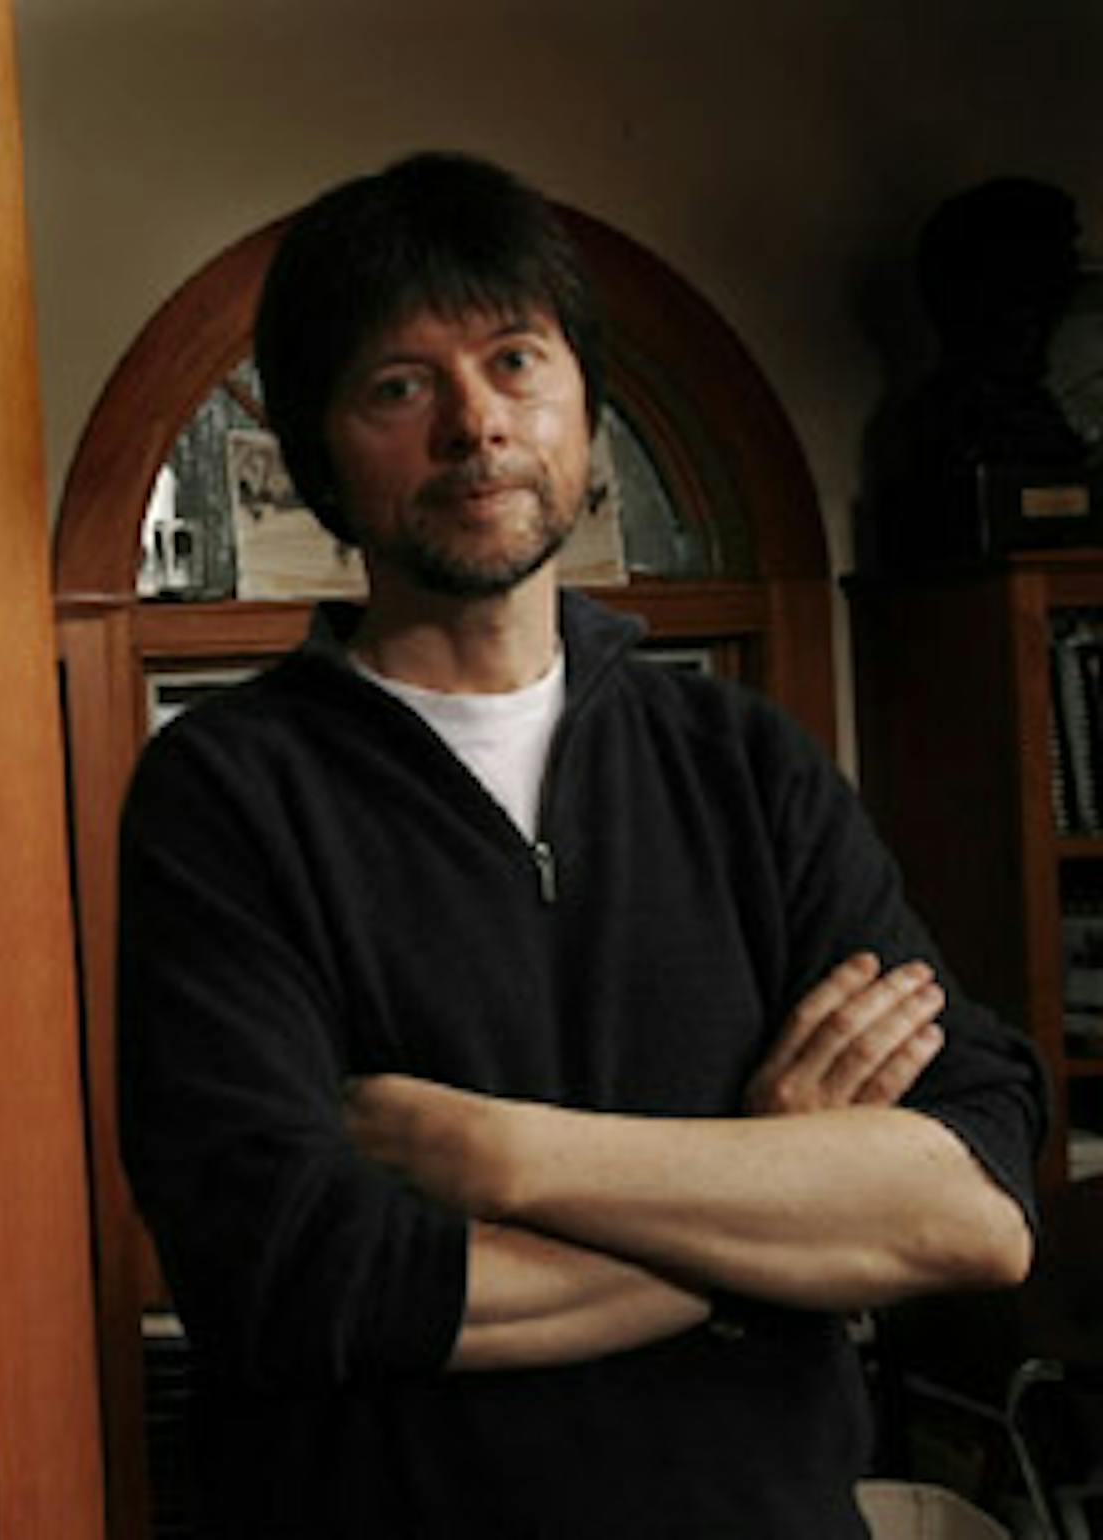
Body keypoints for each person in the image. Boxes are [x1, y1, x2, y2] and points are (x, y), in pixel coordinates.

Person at [117, 152, 1046, 1536]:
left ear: (584, 408)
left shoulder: (746, 764)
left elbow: (975, 1204)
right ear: (318, 460)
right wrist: (771, 1209)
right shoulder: (227, 795)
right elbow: (305, 1283)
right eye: (399, 387)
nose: (474, 425)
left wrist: (517, 1158)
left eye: (514, 362)